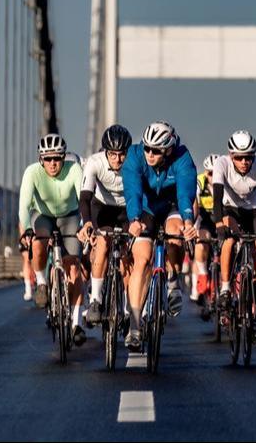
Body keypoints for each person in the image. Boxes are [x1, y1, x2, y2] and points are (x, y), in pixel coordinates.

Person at [121, 120, 198, 350]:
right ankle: (134, 326)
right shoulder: (135, 157)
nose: (149, 153)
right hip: (145, 208)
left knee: (176, 233)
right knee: (142, 260)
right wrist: (134, 220)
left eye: (155, 150)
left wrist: (188, 221)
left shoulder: (182, 158)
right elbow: (132, 191)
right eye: (147, 148)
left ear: (168, 150)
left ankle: (173, 282)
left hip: (172, 206)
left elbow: (186, 193)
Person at [18, 133, 87, 345]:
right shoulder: (32, 172)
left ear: (64, 157)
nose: (53, 163)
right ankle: (41, 282)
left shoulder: (74, 169)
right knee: (38, 243)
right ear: (41, 160)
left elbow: (84, 197)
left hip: (70, 215)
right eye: (48, 159)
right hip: (43, 215)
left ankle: (76, 323)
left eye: (57, 158)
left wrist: (85, 225)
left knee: (73, 267)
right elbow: (24, 206)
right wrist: (27, 230)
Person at [212, 130, 256, 331]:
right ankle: (225, 288)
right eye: (239, 158)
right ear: (231, 155)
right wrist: (219, 227)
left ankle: (252, 309)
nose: (243, 162)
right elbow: (216, 198)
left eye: (248, 157)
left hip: (255, 213)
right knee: (230, 240)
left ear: (254, 155)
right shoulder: (221, 164)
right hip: (230, 210)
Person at [78, 124, 132, 326]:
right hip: (102, 208)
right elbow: (84, 198)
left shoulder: (134, 163)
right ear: (105, 152)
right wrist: (87, 223)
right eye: (113, 154)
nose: (118, 160)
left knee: (129, 256)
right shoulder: (94, 162)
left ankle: (128, 307)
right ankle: (95, 300)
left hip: (126, 210)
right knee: (102, 245)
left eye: (122, 154)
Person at [191, 154, 219, 304]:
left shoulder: (225, 180)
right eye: (210, 173)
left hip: (222, 216)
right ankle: (203, 273)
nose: (213, 177)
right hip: (205, 217)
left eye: (216, 173)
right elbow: (194, 203)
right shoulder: (200, 182)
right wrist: (193, 226)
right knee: (201, 242)